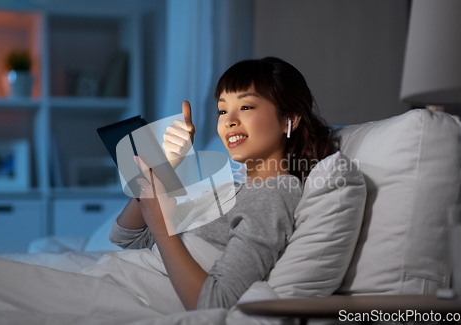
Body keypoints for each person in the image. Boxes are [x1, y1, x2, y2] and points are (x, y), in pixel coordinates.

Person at [109, 56, 336, 311]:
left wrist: (163, 226)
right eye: (223, 110)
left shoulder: (273, 193)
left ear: (289, 121)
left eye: (246, 107)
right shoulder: (232, 190)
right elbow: (126, 236)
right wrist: (165, 165)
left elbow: (213, 303)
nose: (229, 121)